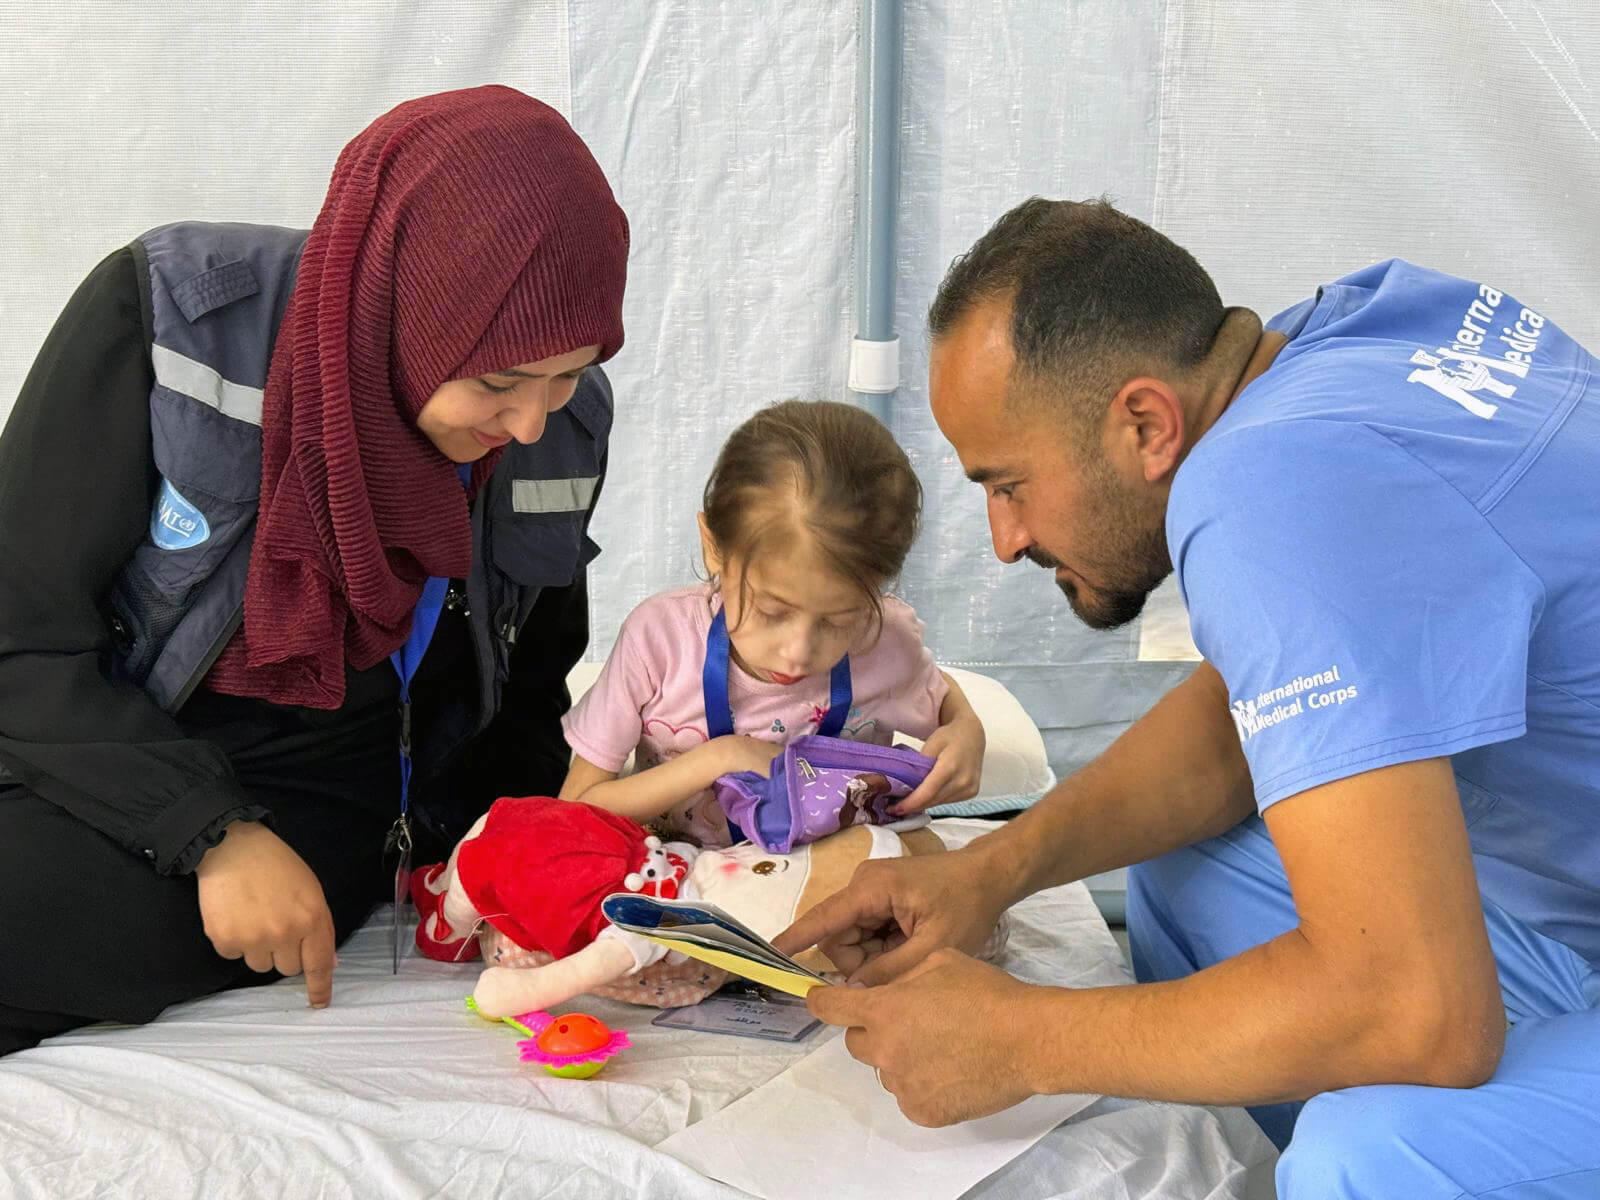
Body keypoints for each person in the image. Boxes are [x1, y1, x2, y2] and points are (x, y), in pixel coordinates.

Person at [778, 198, 1599, 1198]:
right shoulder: (1353, 337)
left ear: (1145, 423)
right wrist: (991, 871)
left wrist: (1021, 1039)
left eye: (1007, 484)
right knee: (1185, 868)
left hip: (1547, 926)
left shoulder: (1262, 487)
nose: (1003, 539)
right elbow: (1240, 725)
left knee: (1373, 1154)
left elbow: (1422, 1013)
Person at [0, 85, 630, 1056]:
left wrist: (538, 867)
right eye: (500, 383)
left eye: (569, 373)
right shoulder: (167, 317)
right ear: (404, 313)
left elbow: (523, 704)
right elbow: (21, 632)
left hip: (323, 807)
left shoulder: (557, 429)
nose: (532, 424)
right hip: (111, 744)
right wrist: (206, 828)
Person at [410, 400, 987, 959]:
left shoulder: (888, 641)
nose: (798, 651)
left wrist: (968, 733)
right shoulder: (659, 639)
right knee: (546, 882)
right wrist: (717, 759)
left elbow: (943, 701)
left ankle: (751, 954)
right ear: (715, 546)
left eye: (839, 621)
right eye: (772, 610)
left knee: (932, 875)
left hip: (812, 874)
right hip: (675, 873)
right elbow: (577, 808)